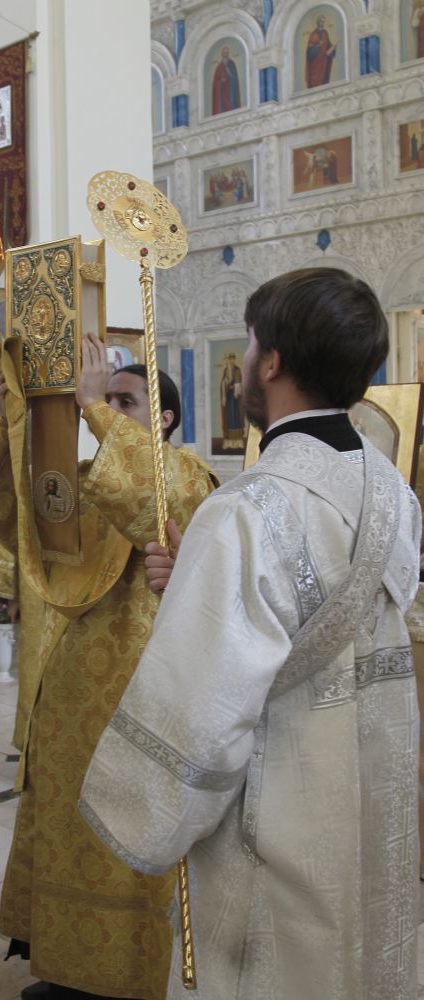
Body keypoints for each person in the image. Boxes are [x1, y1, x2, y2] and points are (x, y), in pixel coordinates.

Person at [80, 268, 422, 1000]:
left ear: (270, 363)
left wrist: (147, 815)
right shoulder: (394, 490)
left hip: (282, 815)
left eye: (250, 342)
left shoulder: (248, 509)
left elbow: (203, 713)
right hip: (370, 797)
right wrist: (197, 581)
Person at [0, 332, 217, 1000]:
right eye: (109, 398)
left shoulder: (189, 473)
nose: (106, 405)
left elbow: (157, 508)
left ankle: (134, 974)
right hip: (74, 685)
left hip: (146, 685)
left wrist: (93, 407)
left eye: (126, 400)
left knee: (132, 828)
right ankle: (68, 966)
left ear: (163, 417)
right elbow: (13, 518)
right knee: (69, 823)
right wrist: (11, 418)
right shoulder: (83, 473)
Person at [305, 14, 338, 88]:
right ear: (318, 22)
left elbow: (328, 45)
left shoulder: (325, 33)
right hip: (316, 65)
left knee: (324, 81)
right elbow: (309, 53)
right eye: (320, 21)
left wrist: (333, 49)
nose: (322, 23)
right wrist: (318, 46)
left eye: (323, 21)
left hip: (324, 62)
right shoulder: (313, 35)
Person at [212, 45, 241, 114]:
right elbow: (215, 82)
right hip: (222, 92)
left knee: (231, 105)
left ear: (228, 54)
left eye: (226, 53)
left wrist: (229, 73)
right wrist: (220, 81)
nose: (225, 54)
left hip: (231, 91)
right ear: (222, 54)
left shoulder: (232, 64)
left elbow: (235, 78)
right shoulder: (219, 67)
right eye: (224, 53)